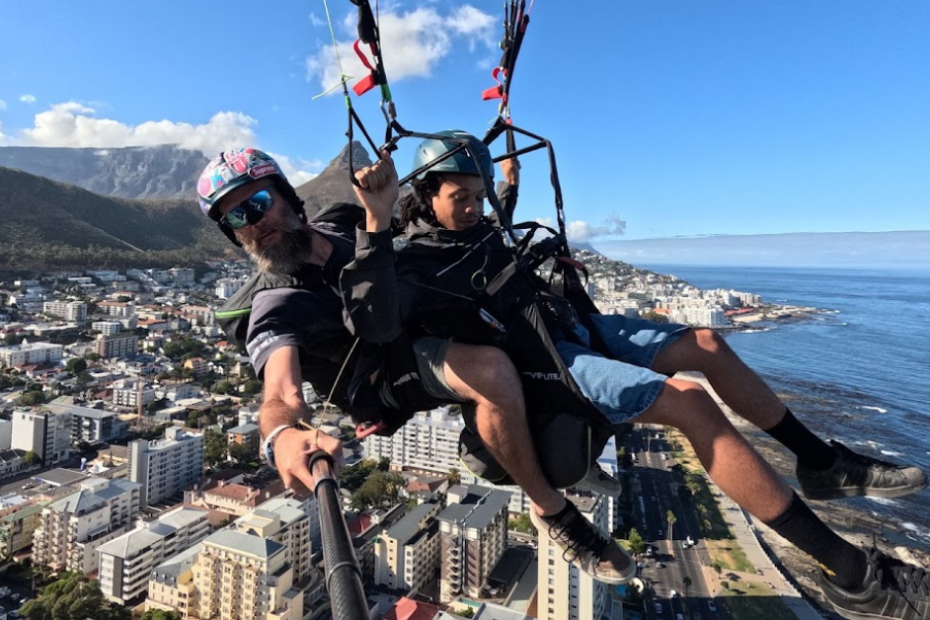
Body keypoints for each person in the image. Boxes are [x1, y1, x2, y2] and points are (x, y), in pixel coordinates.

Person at [353, 130, 927, 620]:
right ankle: (854, 575)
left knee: (706, 341)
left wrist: (505, 177)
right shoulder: (410, 265)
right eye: (462, 197)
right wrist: (377, 222)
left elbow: (497, 207)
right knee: (691, 403)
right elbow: (376, 323)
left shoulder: (481, 225)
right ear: (424, 197)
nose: (477, 207)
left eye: (480, 196)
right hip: (543, 363)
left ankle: (821, 462)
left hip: (569, 327)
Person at [197, 148, 534, 520]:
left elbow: (436, 229)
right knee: (490, 369)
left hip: (421, 326)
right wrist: (281, 438)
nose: (254, 222)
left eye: (259, 202)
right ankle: (550, 508)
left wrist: (507, 188)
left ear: (287, 196)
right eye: (237, 216)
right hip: (389, 379)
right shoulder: (272, 304)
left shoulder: (342, 221)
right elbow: (280, 393)